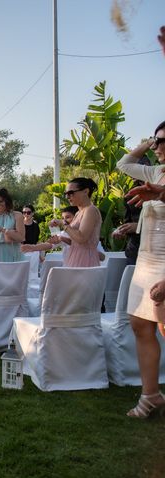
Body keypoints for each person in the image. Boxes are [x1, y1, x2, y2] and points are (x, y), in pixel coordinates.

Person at [116, 122, 165, 418]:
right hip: (145, 261)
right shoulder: (154, 171)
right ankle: (151, 395)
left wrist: (159, 195)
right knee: (140, 325)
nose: (159, 146)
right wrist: (147, 144)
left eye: (163, 141)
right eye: (157, 140)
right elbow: (124, 163)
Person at [48, 178, 101, 268]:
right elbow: (76, 241)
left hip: (85, 260)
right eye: (66, 194)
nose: (67, 197)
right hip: (74, 257)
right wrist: (61, 239)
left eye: (70, 193)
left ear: (85, 191)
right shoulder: (78, 213)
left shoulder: (90, 210)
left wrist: (63, 224)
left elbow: (82, 238)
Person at [0, 188, 24, 262]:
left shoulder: (17, 215)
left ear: (6, 201)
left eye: (0, 201)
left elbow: (21, 238)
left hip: (14, 252)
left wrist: (5, 231)